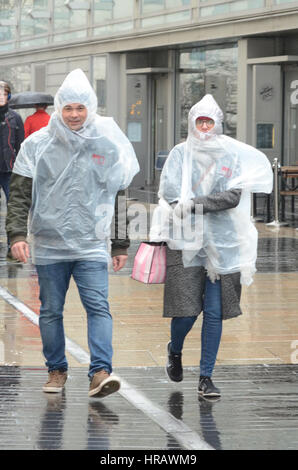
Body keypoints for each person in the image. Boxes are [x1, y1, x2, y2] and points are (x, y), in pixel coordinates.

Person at [6, 69, 139, 398]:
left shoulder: (105, 144)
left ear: (90, 107)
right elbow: (20, 194)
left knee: (99, 306)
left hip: (91, 243)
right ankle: (56, 369)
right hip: (50, 244)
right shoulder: (36, 145)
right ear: (59, 108)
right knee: (51, 310)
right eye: (69, 108)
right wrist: (16, 235)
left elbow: (118, 194)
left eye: (81, 108)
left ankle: (100, 372)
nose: (75, 115)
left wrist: (120, 243)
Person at [150, 94, 273, 398]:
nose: (204, 127)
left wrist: (194, 203)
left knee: (215, 312)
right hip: (185, 241)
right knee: (188, 311)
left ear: (218, 124)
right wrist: (196, 205)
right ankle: (175, 350)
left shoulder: (230, 155)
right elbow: (170, 194)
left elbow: (232, 197)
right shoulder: (180, 154)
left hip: (223, 243)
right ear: (192, 123)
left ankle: (206, 376)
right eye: (199, 121)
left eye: (209, 122)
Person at [0, 81, 24, 257]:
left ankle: (11, 242)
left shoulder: (15, 118)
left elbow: (20, 143)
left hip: (10, 169)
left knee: (12, 205)